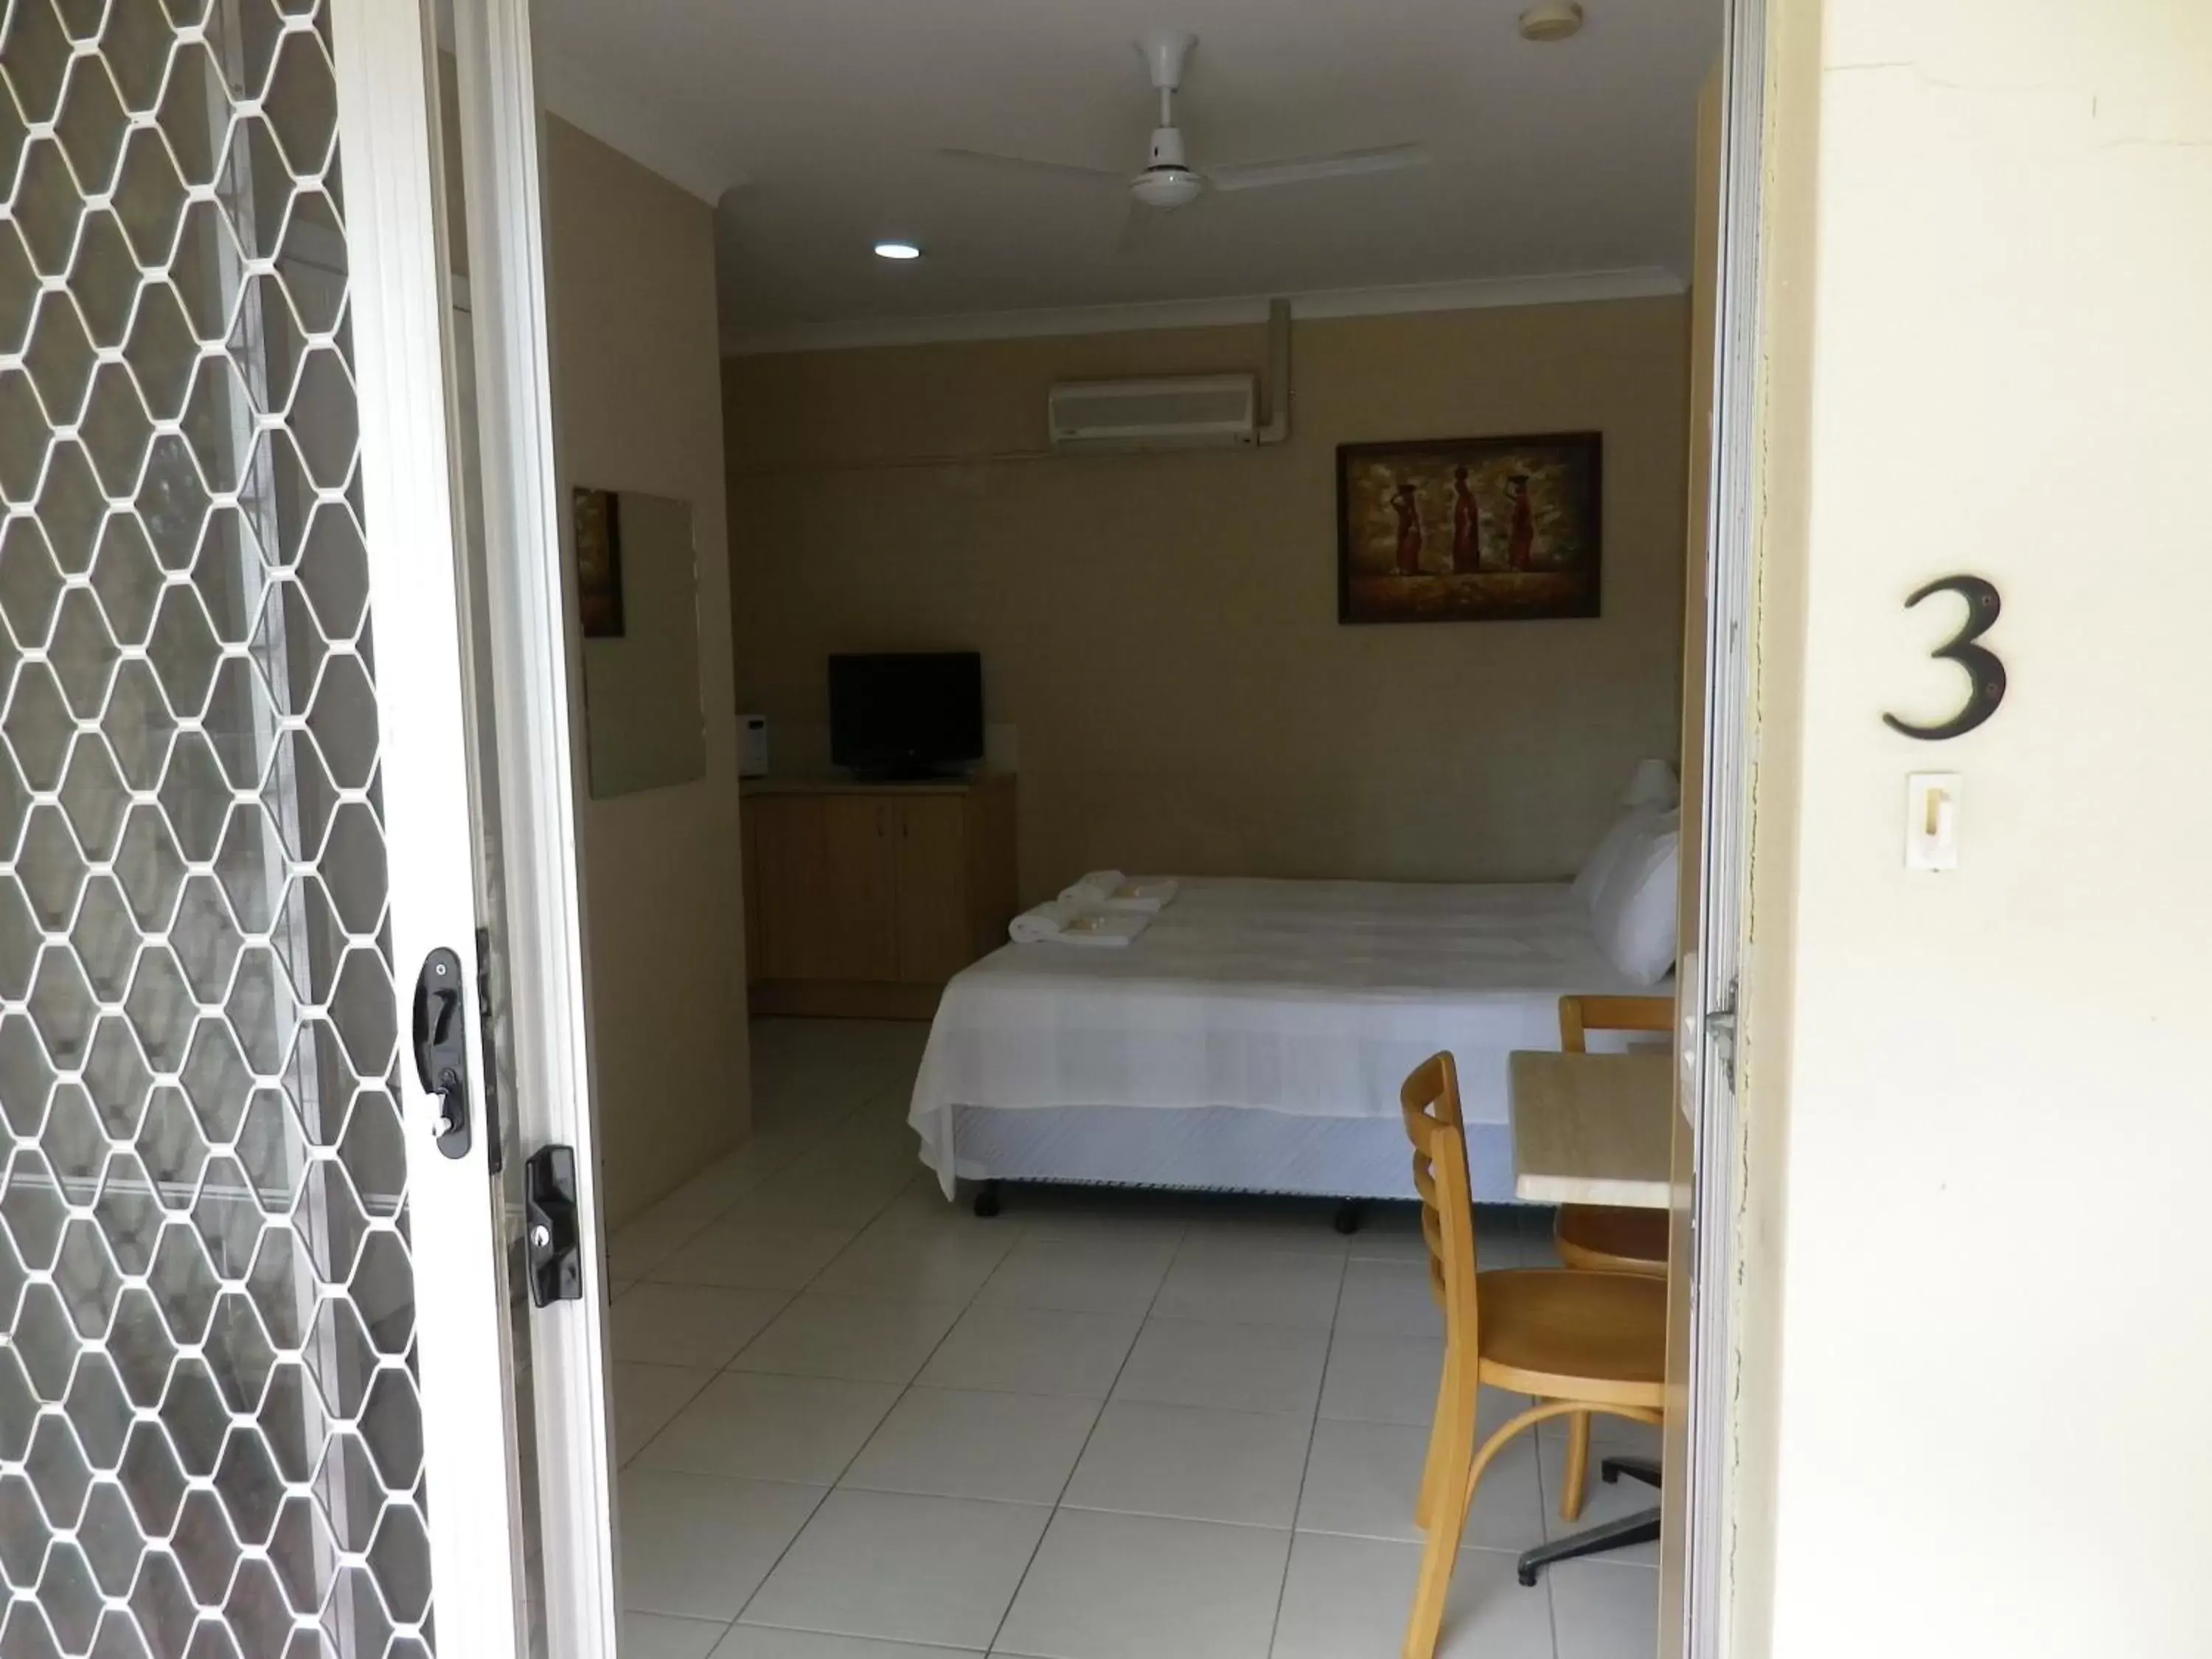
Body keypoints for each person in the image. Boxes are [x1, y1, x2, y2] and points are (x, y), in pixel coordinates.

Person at [1450, 467, 1483, 573]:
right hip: (1462, 525)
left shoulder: (1467, 498)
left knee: (1466, 544)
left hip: (1465, 525)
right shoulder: (1463, 497)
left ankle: (1467, 566)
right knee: (1462, 544)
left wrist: (1468, 522)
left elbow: (1467, 511)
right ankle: (1463, 566)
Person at [1391, 481, 1424, 575]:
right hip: (1405, 526)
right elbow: (1393, 502)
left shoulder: (1406, 507)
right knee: (1403, 545)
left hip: (1407, 526)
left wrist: (1415, 525)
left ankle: (1405, 568)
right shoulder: (1405, 508)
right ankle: (1402, 567)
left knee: (1407, 546)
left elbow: (1393, 502)